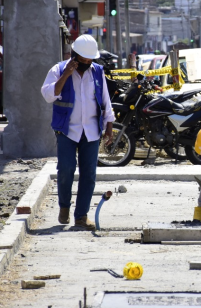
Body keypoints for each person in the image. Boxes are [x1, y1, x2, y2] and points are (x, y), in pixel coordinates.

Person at [41, 34, 115, 230]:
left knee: (89, 174)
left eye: (89, 60)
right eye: (82, 59)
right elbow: (48, 95)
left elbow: (105, 100)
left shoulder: (97, 72)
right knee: (66, 169)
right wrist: (66, 74)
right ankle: (64, 206)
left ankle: (81, 216)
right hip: (67, 130)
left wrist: (109, 126)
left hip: (91, 130)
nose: (86, 63)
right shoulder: (58, 69)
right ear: (74, 55)